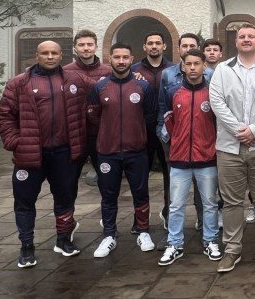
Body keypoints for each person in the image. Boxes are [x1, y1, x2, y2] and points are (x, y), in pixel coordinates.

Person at [0, 41, 88, 268]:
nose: (50, 57)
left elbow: (101, 89)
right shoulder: (19, 83)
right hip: (30, 154)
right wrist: (15, 142)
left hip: (63, 153)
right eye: (45, 53)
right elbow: (5, 116)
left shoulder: (73, 80)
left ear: (61, 55)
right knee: (25, 201)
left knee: (65, 198)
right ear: (37, 56)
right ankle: (27, 246)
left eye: (54, 53)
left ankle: (64, 240)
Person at [209, 23, 255, 273]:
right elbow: (217, 102)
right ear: (236, 41)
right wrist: (241, 130)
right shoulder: (222, 69)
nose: (246, 39)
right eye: (242, 36)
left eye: (251, 36)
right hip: (230, 147)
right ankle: (231, 250)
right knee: (231, 202)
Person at [88, 42, 157, 258]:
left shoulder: (143, 86)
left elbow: (150, 116)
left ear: (131, 59)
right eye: (117, 57)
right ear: (110, 59)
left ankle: (143, 231)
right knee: (108, 195)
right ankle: (109, 235)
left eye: (125, 57)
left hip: (136, 151)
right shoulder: (100, 87)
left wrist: (134, 133)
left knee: (141, 193)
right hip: (107, 152)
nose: (121, 61)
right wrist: (109, 131)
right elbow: (93, 116)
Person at [158, 49, 222, 265]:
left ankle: (211, 240)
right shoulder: (173, 92)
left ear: (205, 66)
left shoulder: (214, 93)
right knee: (176, 204)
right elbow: (168, 121)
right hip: (179, 159)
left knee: (210, 203)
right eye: (189, 64)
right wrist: (177, 141)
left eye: (197, 63)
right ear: (183, 66)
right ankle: (174, 243)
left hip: (207, 158)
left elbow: (219, 124)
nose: (193, 67)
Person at [156, 33, 213, 230]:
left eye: (192, 46)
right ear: (178, 49)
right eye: (184, 46)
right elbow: (163, 107)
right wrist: (164, 132)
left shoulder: (211, 75)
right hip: (174, 137)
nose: (188, 49)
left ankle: (202, 220)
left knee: (203, 186)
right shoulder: (167, 75)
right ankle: (172, 227)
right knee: (174, 183)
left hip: (202, 139)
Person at [131, 32, 173, 227]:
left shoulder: (173, 69)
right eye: (150, 43)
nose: (154, 46)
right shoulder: (133, 70)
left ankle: (169, 213)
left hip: (167, 131)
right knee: (140, 177)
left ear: (164, 46)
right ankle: (139, 219)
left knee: (170, 176)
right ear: (144, 47)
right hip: (142, 130)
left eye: (158, 43)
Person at [64, 29, 111, 189]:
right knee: (69, 181)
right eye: (81, 45)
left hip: (101, 133)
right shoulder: (65, 72)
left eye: (89, 44)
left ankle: (108, 214)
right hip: (75, 134)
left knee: (107, 180)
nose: (86, 48)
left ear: (96, 46)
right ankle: (67, 213)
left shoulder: (108, 72)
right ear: (75, 48)